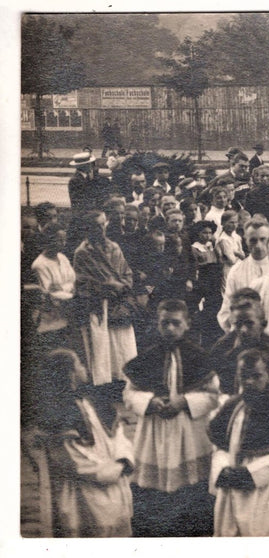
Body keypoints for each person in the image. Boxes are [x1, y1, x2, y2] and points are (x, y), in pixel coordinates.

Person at [122, 299, 220, 537]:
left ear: (187, 324)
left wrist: (185, 401)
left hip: (189, 430)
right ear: (158, 325)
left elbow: (214, 395)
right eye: (165, 323)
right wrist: (148, 402)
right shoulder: (147, 357)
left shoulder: (200, 357)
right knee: (153, 491)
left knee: (191, 487)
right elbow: (129, 393)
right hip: (154, 429)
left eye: (176, 323)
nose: (170, 329)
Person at [208, 348, 269, 537]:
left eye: (256, 376)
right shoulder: (232, 406)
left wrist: (249, 474)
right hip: (232, 482)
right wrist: (223, 469)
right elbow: (219, 447)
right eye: (243, 376)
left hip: (267, 487)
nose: (248, 382)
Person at [33, 349, 135, 537]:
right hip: (84, 495)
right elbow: (72, 460)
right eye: (79, 364)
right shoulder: (58, 415)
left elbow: (118, 434)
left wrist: (123, 459)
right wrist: (112, 471)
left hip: (115, 487)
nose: (84, 368)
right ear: (69, 374)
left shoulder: (94, 402)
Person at [73, 211, 138, 386]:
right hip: (99, 305)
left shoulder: (114, 247)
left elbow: (127, 272)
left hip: (119, 302)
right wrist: (105, 288)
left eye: (103, 224)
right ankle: (105, 385)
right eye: (96, 226)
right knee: (103, 348)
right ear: (88, 228)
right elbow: (81, 282)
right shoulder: (82, 253)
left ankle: (124, 380)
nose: (101, 229)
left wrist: (122, 285)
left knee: (123, 345)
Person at [217, 218, 269, 331]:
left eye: (263, 239)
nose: (258, 245)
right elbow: (226, 311)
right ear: (245, 241)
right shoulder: (237, 271)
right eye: (253, 240)